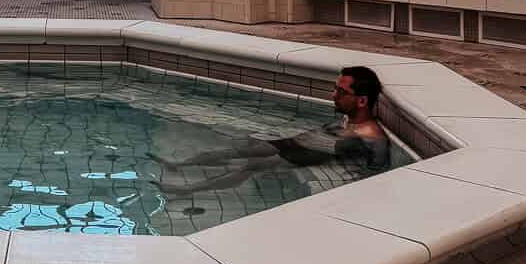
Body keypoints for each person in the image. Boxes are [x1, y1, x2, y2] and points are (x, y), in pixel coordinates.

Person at [153, 65, 391, 196]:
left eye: (341, 92)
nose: (333, 95)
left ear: (361, 101)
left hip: (303, 155)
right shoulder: (349, 119)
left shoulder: (371, 137)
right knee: (239, 149)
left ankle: (186, 190)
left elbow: (377, 175)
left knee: (250, 165)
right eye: (335, 88)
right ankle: (180, 165)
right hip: (296, 143)